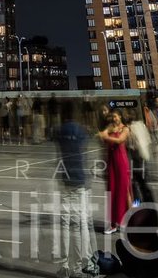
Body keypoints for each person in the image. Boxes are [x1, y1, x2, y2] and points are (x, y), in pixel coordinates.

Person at [53, 103, 95, 278]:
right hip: (79, 179)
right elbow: (84, 154)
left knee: (64, 224)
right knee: (77, 225)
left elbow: (59, 152)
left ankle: (64, 265)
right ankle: (78, 267)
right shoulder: (80, 130)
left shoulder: (59, 130)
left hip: (65, 178)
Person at [98, 108, 132, 233]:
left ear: (121, 117)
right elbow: (101, 136)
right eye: (113, 116)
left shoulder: (125, 129)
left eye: (116, 116)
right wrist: (103, 136)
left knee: (124, 190)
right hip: (112, 161)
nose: (114, 119)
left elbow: (119, 140)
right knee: (112, 190)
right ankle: (113, 223)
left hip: (121, 162)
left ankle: (127, 220)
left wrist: (105, 136)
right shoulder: (111, 127)